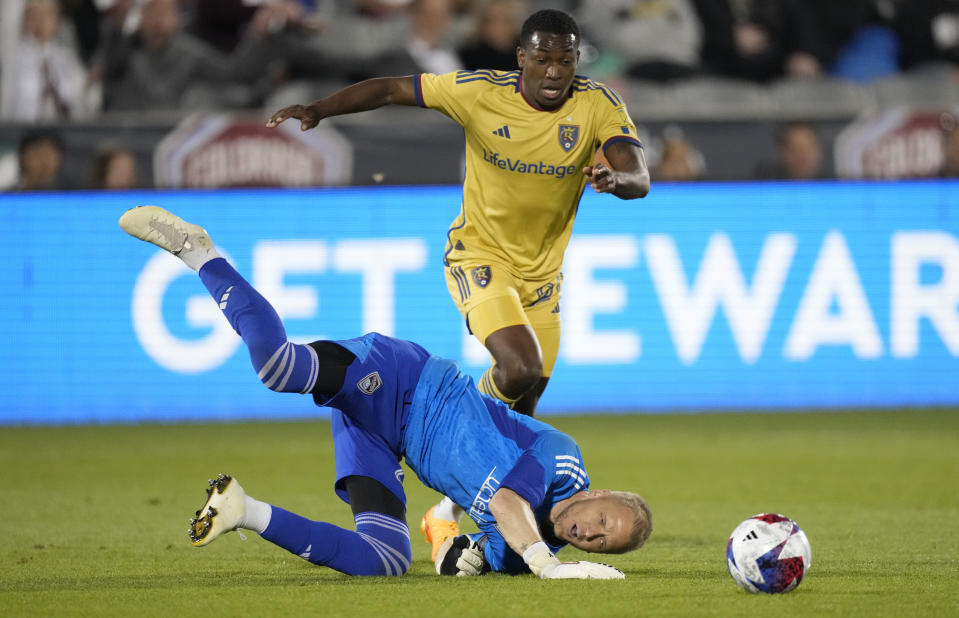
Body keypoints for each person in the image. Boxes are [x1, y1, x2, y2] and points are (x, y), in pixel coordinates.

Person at [265, 7, 650, 559]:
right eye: (542, 59)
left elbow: (638, 172)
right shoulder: (479, 91)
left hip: (543, 280)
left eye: (565, 61)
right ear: (522, 58)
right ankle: (444, 434)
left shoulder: (597, 104)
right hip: (479, 255)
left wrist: (618, 178)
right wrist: (321, 108)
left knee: (520, 417)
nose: (554, 72)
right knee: (519, 367)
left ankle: (455, 512)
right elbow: (396, 88)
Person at [118, 205, 653, 579]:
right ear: (595, 494)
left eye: (605, 543)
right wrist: (546, 565)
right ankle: (200, 252)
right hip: (405, 380)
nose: (592, 536)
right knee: (279, 368)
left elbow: (456, 541)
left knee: (386, 560)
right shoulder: (564, 463)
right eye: (603, 521)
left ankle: (243, 510)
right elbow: (510, 501)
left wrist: (457, 556)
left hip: (385, 438)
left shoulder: (527, 545)